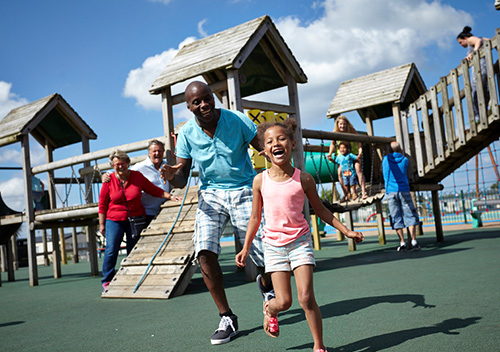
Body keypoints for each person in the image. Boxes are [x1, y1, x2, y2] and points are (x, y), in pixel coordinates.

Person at [235, 119, 364, 352]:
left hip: (300, 242)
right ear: (264, 151)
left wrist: (346, 230)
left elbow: (321, 210)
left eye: (282, 139)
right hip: (273, 245)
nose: (276, 143)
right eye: (270, 141)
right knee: (284, 301)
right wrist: (245, 248)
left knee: (306, 298)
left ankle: (318, 346)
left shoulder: (304, 179)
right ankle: (270, 309)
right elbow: (255, 218)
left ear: (293, 144)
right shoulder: (259, 181)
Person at [161, 81, 274, 345]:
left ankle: (268, 291)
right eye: (196, 102)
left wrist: (276, 159)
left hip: (245, 187)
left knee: (261, 250)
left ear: (213, 98)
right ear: (188, 107)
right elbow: (181, 177)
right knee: (204, 251)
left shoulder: (237, 120)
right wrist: (170, 176)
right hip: (211, 194)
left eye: (206, 98)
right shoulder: (187, 133)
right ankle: (227, 317)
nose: (203, 105)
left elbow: (263, 148)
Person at [99, 149, 180, 291]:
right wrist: (101, 223)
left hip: (135, 218)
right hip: (114, 219)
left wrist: (170, 196)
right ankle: (107, 280)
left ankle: (132, 277)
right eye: (117, 164)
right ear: (113, 165)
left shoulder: (137, 176)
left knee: (134, 250)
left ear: (128, 163)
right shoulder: (109, 180)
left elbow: (153, 189)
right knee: (111, 249)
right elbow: (102, 204)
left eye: (123, 163)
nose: (120, 166)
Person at [103, 139, 171, 226]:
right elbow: (123, 171)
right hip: (148, 213)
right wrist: (107, 174)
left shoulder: (167, 165)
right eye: (154, 151)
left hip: (166, 210)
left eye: (160, 151)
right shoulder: (140, 167)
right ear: (149, 153)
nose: (157, 153)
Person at [382, 141, 421, 251]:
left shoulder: (386, 160)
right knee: (410, 214)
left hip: (391, 191)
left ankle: (402, 242)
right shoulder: (404, 160)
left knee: (396, 216)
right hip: (404, 189)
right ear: (400, 150)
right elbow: (409, 173)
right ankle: (413, 241)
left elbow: (384, 172)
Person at [326, 115, 367, 199]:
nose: (342, 126)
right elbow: (333, 143)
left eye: (344, 124)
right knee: (340, 173)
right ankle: (347, 194)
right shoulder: (335, 132)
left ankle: (363, 192)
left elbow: (359, 141)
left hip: (353, 154)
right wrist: (330, 153)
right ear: (337, 125)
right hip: (342, 157)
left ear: (347, 124)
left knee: (358, 170)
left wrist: (360, 151)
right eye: (340, 124)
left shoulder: (352, 130)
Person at [457, 26, 490, 123]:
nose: (460, 45)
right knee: (485, 91)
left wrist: (473, 53)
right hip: (486, 68)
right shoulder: (482, 38)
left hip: (479, 68)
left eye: (460, 42)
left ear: (465, 38)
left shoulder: (471, 40)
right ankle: (484, 112)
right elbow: (488, 40)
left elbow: (477, 41)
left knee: (475, 92)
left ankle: (477, 116)